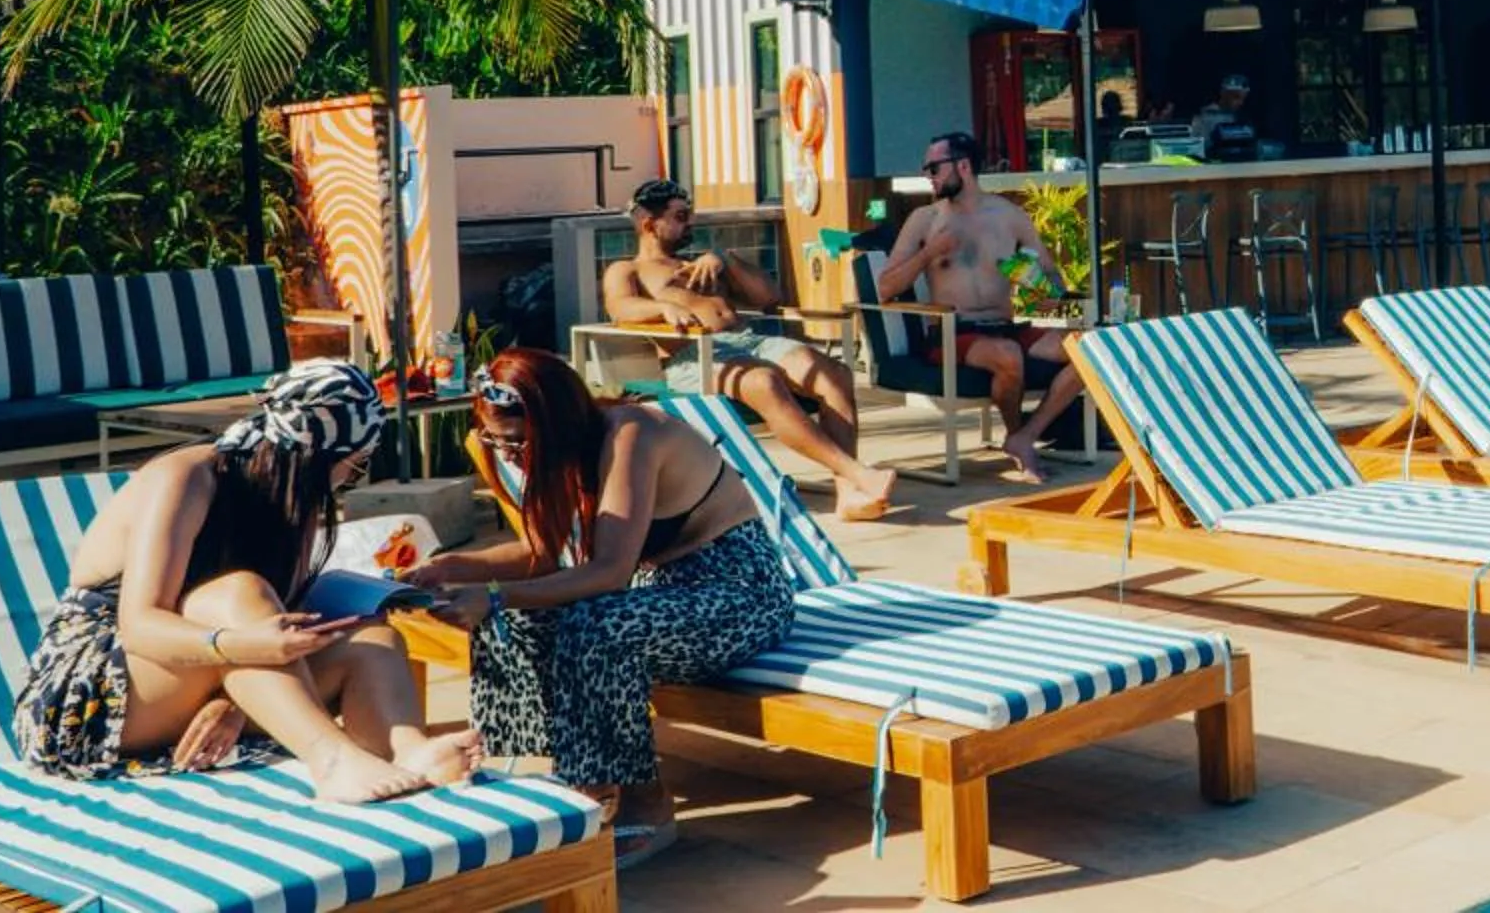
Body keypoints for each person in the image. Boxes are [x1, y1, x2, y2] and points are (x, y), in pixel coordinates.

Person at [12, 361, 481, 803]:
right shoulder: (186, 478)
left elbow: (275, 635)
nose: (349, 478)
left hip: (193, 678)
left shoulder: (295, 501)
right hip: (87, 700)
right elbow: (140, 625)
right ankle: (332, 759)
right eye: (355, 463)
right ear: (321, 453)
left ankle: (409, 751)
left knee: (373, 641)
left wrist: (231, 698)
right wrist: (235, 649)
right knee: (238, 590)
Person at [410, 350, 794, 870]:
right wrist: (455, 567)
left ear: (558, 422)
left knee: (596, 621)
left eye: (517, 441)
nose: (508, 454)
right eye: (493, 440)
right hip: (661, 595)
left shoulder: (631, 435)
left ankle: (645, 801)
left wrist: (493, 595)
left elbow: (609, 571)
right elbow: (541, 554)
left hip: (741, 595)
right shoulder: (558, 451)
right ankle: (560, 772)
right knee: (527, 616)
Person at [602, 177, 897, 520]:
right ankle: (858, 474)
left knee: (834, 373)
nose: (691, 223)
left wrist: (726, 261)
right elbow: (619, 306)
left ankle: (847, 494)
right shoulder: (628, 269)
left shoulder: (702, 262)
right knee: (765, 381)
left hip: (751, 342)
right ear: (650, 224)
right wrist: (662, 308)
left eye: (691, 214)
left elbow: (769, 297)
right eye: (681, 216)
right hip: (696, 355)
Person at [877, 131, 1088, 481]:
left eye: (934, 168)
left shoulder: (1009, 216)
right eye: (926, 169)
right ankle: (1018, 436)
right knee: (1007, 355)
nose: (928, 176)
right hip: (952, 333)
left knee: (1088, 350)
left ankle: (1025, 437)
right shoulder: (925, 220)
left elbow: (1054, 284)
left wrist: (1032, 280)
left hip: (1006, 327)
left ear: (963, 166)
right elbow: (885, 288)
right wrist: (929, 253)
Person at [1187, 74, 1253, 152]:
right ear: (1223, 94)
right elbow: (1196, 146)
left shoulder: (1242, 117)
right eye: (1236, 97)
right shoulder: (1203, 117)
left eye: (1243, 98)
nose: (1240, 103)